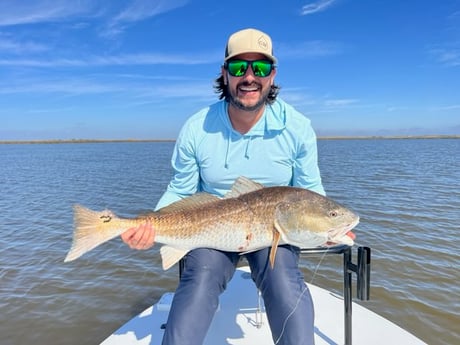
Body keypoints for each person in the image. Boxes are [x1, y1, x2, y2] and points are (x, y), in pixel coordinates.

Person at [121, 28, 324, 345]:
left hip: (274, 233)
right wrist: (150, 224)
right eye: (238, 67)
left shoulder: (297, 128)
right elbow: (181, 189)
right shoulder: (196, 127)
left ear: (272, 76)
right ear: (224, 74)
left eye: (259, 68)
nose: (249, 77)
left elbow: (311, 192)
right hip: (210, 229)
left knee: (283, 280)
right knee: (200, 276)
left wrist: (327, 228)